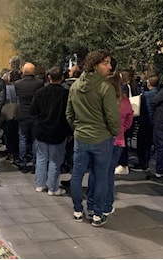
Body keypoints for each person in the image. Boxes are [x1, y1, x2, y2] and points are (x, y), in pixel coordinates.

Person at [66, 49, 119, 227]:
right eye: (105, 63)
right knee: (101, 176)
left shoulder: (74, 87)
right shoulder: (106, 88)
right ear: (95, 65)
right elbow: (112, 117)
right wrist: (113, 131)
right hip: (101, 138)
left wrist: (77, 128)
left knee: (77, 174)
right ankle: (97, 214)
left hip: (81, 138)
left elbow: (69, 114)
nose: (109, 66)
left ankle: (77, 210)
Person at [87, 73, 133, 219]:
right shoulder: (124, 102)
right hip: (117, 140)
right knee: (107, 174)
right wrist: (121, 130)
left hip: (99, 139)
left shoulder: (100, 100)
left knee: (95, 173)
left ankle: (91, 204)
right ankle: (106, 205)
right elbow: (129, 120)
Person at [29, 66, 71, 196]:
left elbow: (32, 111)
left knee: (41, 158)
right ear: (62, 78)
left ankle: (40, 185)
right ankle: (53, 188)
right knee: (55, 160)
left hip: (42, 130)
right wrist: (69, 132)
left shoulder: (40, 92)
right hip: (58, 131)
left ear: (49, 77)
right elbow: (68, 114)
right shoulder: (65, 94)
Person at [14, 62, 44, 173]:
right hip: (35, 114)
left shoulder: (17, 84)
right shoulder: (39, 83)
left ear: (24, 71)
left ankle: (23, 163)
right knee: (35, 139)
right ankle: (36, 164)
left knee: (22, 138)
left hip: (22, 113)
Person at [132, 75, 160, 172]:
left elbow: (141, 108)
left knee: (142, 143)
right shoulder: (160, 93)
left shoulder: (145, 95)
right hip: (155, 122)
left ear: (148, 83)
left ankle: (142, 163)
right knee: (149, 144)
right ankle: (146, 161)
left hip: (145, 121)